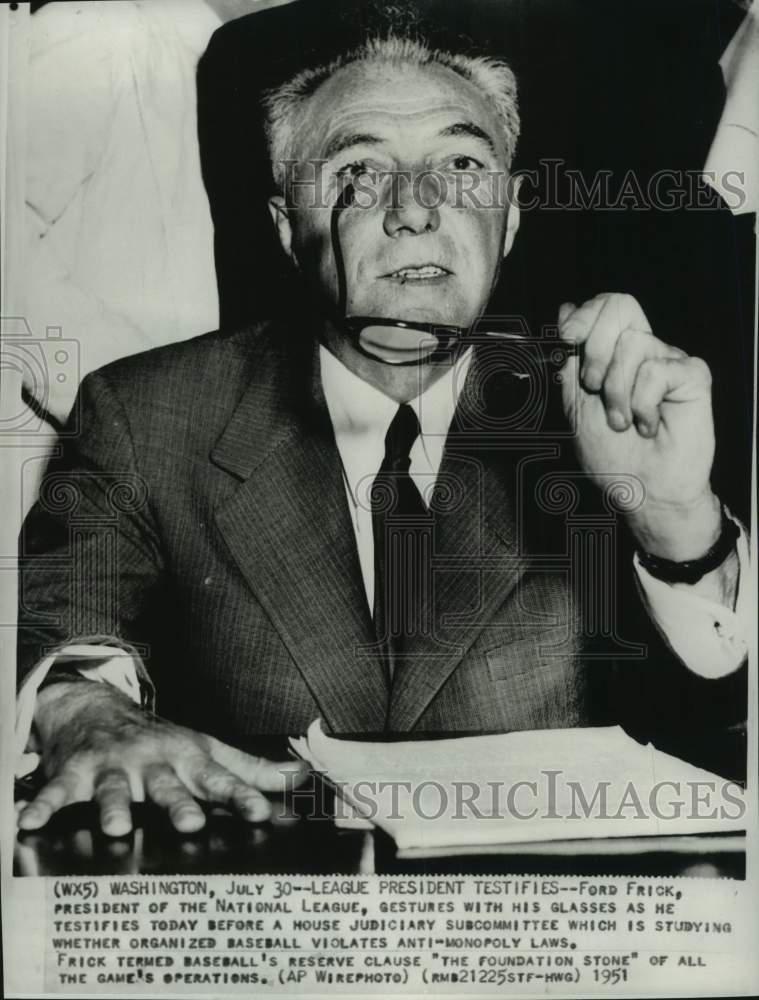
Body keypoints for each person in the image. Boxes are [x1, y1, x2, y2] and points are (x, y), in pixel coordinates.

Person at [16, 32, 749, 840]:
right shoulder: (141, 409)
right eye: (357, 172)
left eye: (463, 167)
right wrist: (84, 707)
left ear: (508, 219)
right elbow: (57, 624)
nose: (413, 208)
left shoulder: (605, 403)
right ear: (286, 224)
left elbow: (714, 730)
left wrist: (677, 524)